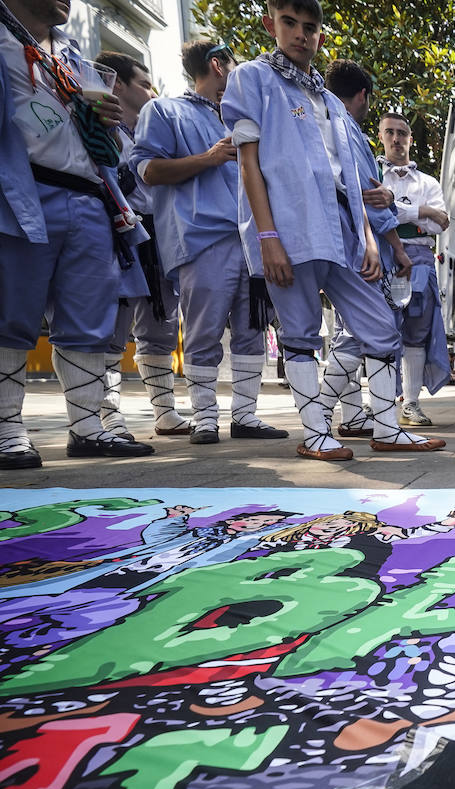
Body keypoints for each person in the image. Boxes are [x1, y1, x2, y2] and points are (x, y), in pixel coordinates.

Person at [220, 0, 444, 459]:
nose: (301, 34)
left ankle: (386, 427)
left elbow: (351, 178)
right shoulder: (252, 79)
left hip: (342, 225)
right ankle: (317, 434)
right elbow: (249, 165)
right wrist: (267, 237)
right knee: (301, 332)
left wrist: (368, 238)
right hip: (290, 224)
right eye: (290, 23)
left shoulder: (325, 98)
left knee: (382, 326)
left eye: (310, 27)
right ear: (271, 25)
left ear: (321, 35)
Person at [1, 0, 155, 468]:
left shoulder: (72, 55)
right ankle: (6, 429)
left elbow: (104, 146)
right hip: (20, 189)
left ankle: (88, 428)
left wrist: (107, 124)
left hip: (90, 195)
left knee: (89, 318)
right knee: (11, 310)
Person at [134, 39, 288, 447]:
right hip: (204, 240)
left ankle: (246, 416)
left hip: (253, 241)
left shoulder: (245, 119)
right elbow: (146, 170)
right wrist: (208, 157)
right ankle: (205, 418)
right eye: (234, 65)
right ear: (218, 65)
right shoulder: (164, 110)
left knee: (253, 329)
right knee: (203, 331)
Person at [95, 50, 191, 442]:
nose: (152, 90)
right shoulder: (100, 128)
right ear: (117, 84)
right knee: (109, 328)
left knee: (161, 324)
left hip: (157, 235)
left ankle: (164, 411)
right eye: (143, 83)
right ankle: (106, 416)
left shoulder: (157, 135)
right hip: (115, 232)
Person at [318, 58, 411, 438]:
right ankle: (374, 425)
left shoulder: (316, 119)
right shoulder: (345, 128)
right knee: (372, 330)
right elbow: (369, 198)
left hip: (330, 237)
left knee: (355, 332)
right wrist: (396, 247)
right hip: (357, 242)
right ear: (362, 96)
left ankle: (327, 415)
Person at [374, 110, 451, 427]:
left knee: (416, 333)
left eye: (401, 132)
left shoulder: (428, 181)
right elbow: (372, 211)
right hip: (382, 256)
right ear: (381, 136)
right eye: (389, 132)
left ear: (410, 138)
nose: (395, 138)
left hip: (420, 257)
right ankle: (379, 404)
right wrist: (421, 210)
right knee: (380, 328)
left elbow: (440, 222)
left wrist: (395, 210)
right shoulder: (373, 174)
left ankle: (411, 404)